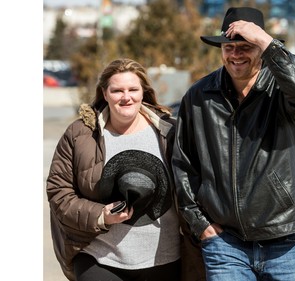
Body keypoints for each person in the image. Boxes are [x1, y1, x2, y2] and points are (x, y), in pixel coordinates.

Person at [171, 7, 295, 281]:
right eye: (230, 47)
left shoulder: (284, 91)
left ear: (261, 48)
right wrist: (200, 224)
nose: (236, 54)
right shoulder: (199, 96)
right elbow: (183, 164)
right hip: (226, 244)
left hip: (286, 242)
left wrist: (267, 42)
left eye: (245, 46)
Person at [46, 58, 204, 281]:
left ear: (144, 92)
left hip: (164, 259)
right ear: (104, 93)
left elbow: (198, 183)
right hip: (99, 257)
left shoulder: (171, 132)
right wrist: (101, 216)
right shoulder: (80, 134)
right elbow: (58, 192)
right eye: (117, 90)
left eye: (133, 89)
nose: (126, 97)